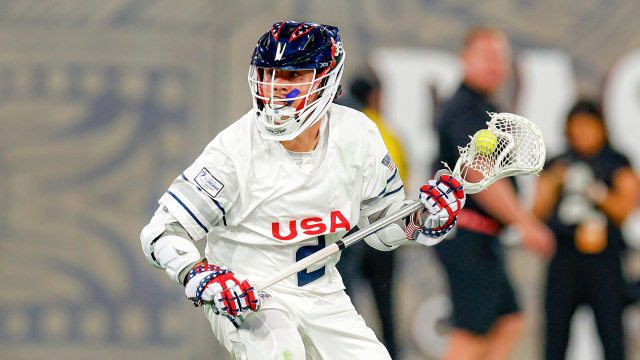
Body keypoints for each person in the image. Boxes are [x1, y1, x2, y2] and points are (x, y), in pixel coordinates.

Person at [139, 21, 466, 360]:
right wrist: (202, 275)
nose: (276, 87)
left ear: (327, 79)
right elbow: (161, 232)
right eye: (268, 74)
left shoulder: (359, 135)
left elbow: (381, 230)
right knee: (283, 352)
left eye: (293, 75)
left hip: (323, 293)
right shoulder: (233, 151)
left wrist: (424, 219)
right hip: (251, 295)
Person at [433, 27, 555, 360]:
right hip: (467, 237)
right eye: (485, 56)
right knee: (471, 333)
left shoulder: (483, 109)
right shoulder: (465, 110)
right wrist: (526, 224)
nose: (494, 65)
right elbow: (478, 173)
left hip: (483, 240)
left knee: (508, 320)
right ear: (464, 59)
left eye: (500, 58)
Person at [533, 99, 640, 360]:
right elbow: (536, 210)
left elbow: (626, 209)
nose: (581, 133)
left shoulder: (616, 161)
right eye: (576, 127)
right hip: (564, 257)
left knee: (612, 335)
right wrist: (555, 181)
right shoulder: (559, 163)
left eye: (587, 126)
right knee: (555, 337)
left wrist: (596, 191)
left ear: (601, 128)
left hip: (604, 260)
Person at [335, 72, 407, 359]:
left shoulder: (333, 126)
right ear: (376, 96)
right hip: (377, 231)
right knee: (385, 309)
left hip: (344, 235)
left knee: (342, 307)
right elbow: (400, 183)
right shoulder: (381, 131)